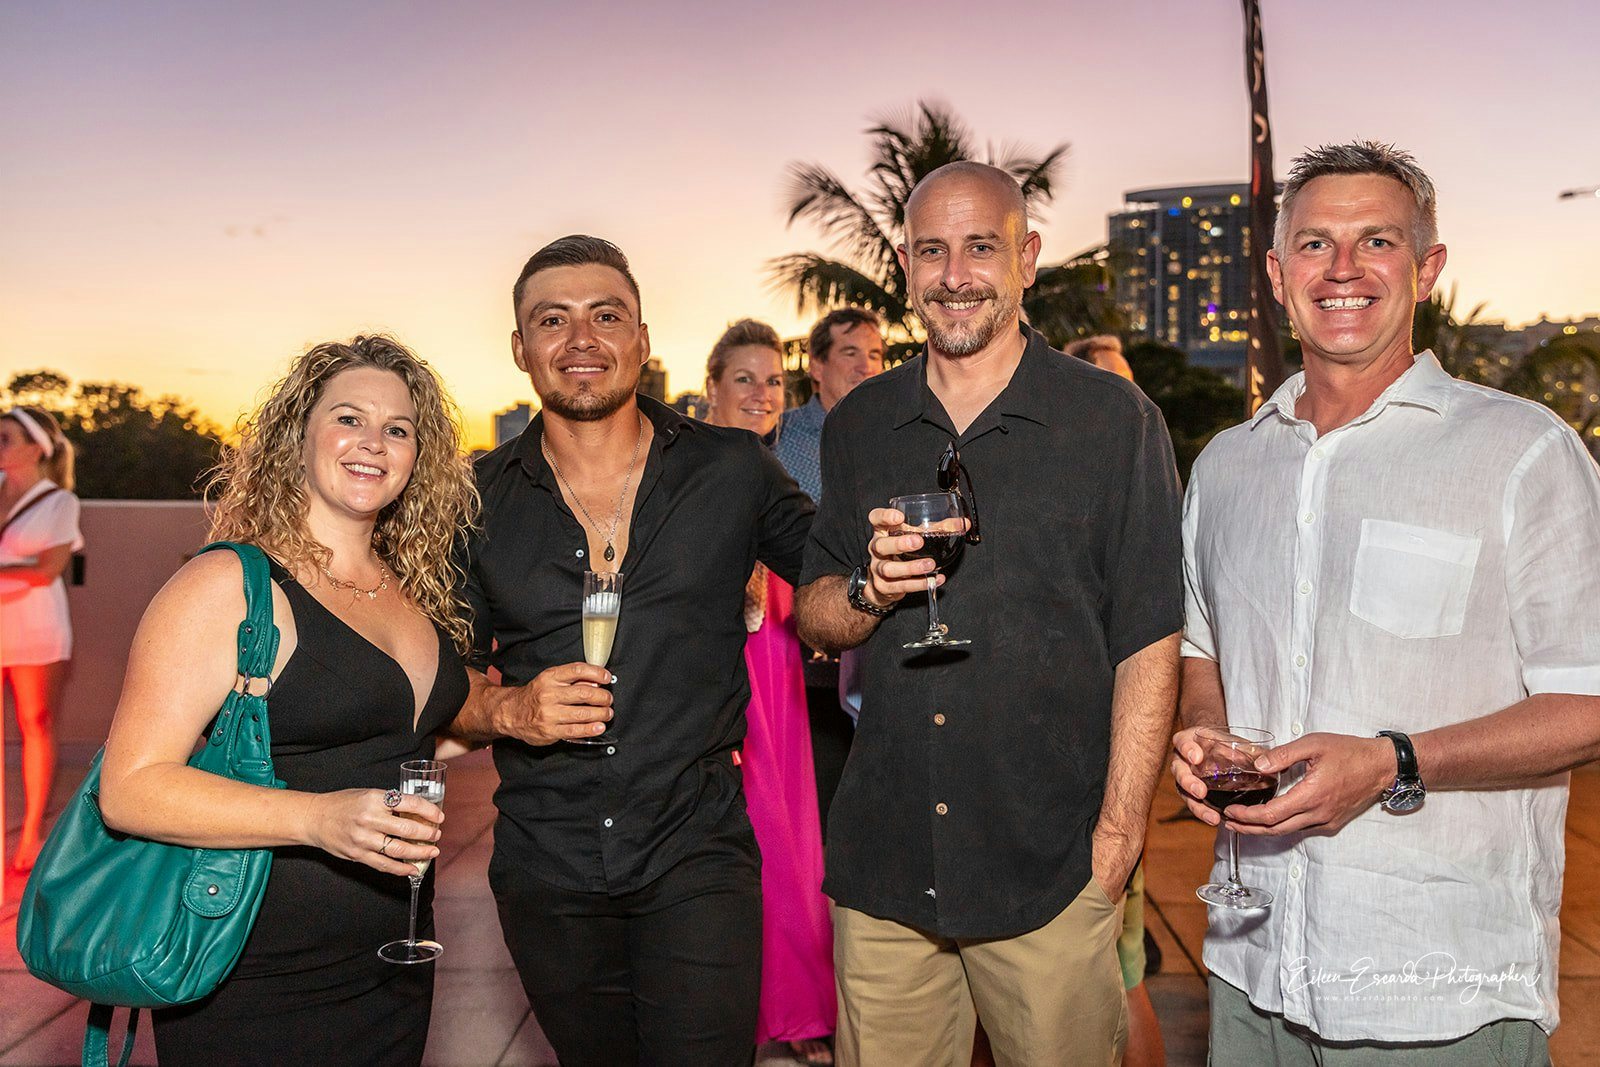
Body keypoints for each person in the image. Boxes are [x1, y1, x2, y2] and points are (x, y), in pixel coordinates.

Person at [1171, 141, 1600, 1063]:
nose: (1345, 270)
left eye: (1379, 241)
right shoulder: (1226, 464)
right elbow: (1202, 644)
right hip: (1251, 969)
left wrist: (1392, 761)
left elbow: (1591, 700)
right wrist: (1203, 728)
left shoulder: (1525, 455)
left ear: (1427, 269)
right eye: (1317, 245)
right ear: (1280, 275)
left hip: (1437, 982)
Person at [793, 161, 1184, 1067]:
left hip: (1048, 865)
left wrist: (1118, 840)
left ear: (1028, 258)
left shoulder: (1114, 421)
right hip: (885, 862)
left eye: (981, 248)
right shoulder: (861, 425)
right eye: (932, 250)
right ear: (904, 263)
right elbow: (815, 614)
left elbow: (1151, 634)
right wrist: (869, 591)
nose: (956, 274)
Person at [447, 236, 815, 1067]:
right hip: (547, 864)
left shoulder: (732, 468)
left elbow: (832, 578)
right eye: (553, 319)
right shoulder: (474, 498)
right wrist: (509, 706)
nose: (582, 339)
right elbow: (447, 678)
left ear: (642, 341)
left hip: (696, 852)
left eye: (605, 316)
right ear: (520, 348)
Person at [97, 336, 478, 1066]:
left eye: (398, 428)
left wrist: (520, 718)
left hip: (393, 962)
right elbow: (130, 787)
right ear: (297, 436)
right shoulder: (228, 587)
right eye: (349, 418)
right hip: (256, 975)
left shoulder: (410, 586)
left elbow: (392, 735)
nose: (374, 442)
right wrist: (318, 816)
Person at [703, 318, 837, 1066]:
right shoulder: (692, 466)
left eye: (773, 380)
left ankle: (797, 1012)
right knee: (740, 846)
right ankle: (746, 1016)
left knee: (789, 843)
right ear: (712, 387)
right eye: (744, 378)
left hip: (779, 665)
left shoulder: (775, 468)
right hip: (730, 671)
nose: (761, 393)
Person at [1064, 335, 1169, 1067]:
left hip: (1106, 777)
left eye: (1129, 387)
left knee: (1121, 977)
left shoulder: (1146, 497)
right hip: (1066, 768)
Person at [774, 308, 887, 846]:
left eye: (876, 355)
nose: (866, 367)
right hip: (802, 666)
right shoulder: (782, 438)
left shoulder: (894, 436)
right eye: (850, 353)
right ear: (816, 366)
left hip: (879, 660)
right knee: (813, 815)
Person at [0, 406, 82, 875]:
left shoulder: (58, 503)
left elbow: (46, 570)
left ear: (35, 448)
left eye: (7, 438)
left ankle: (31, 833)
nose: (0, 446)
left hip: (35, 625)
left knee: (36, 722)